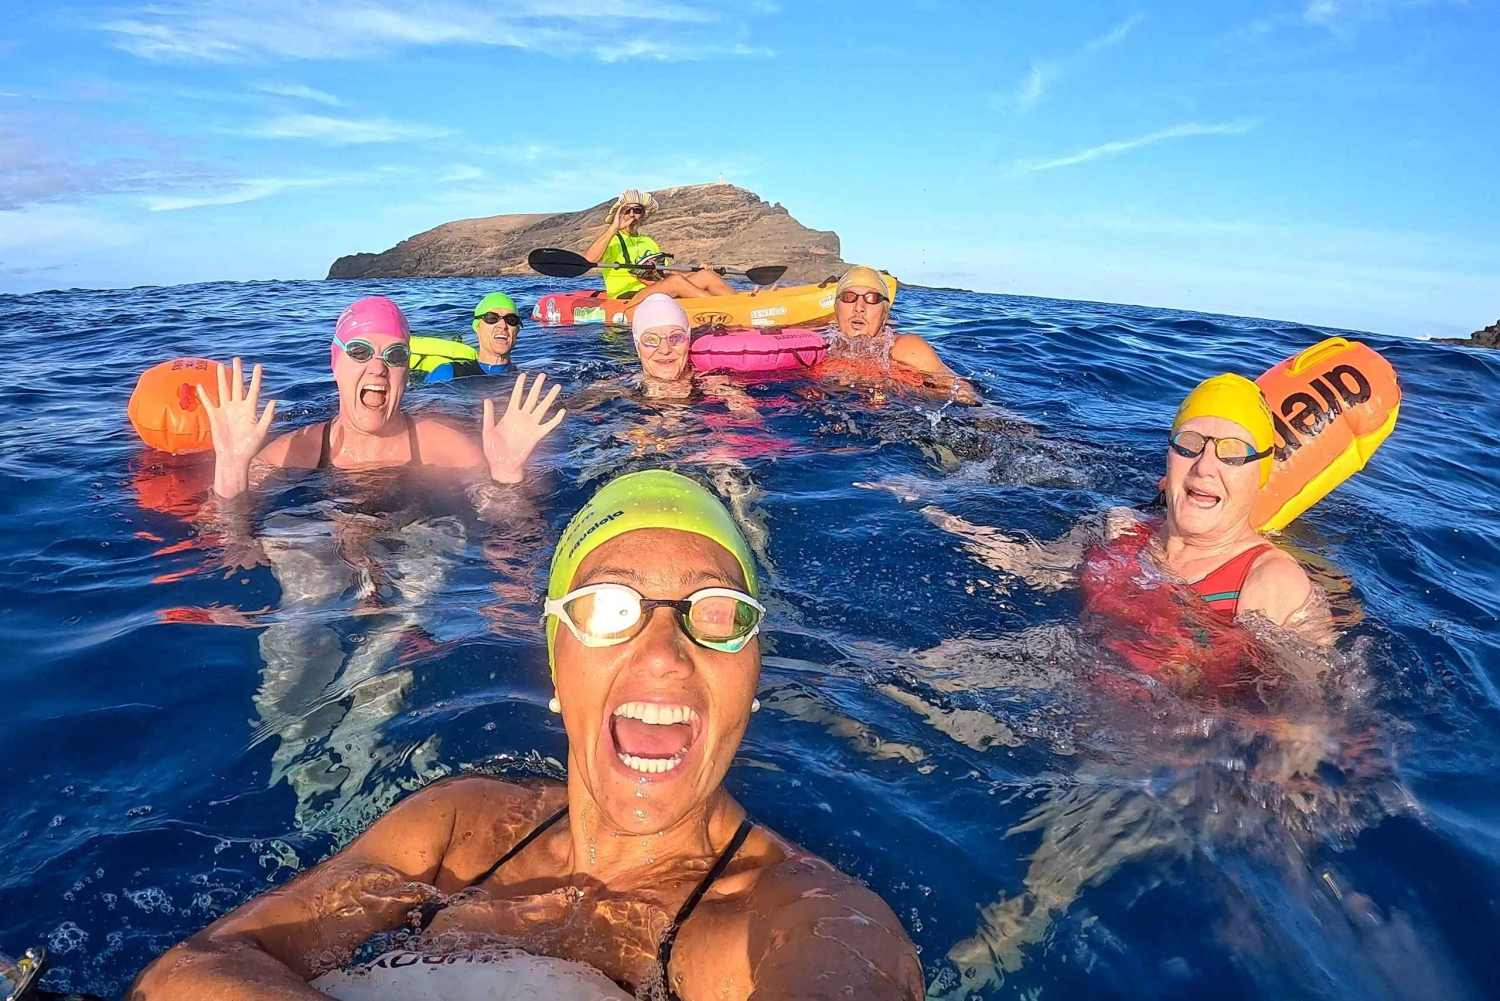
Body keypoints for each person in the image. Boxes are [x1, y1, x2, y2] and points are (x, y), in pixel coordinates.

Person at [132, 470, 924, 1001]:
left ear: (752, 676)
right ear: (556, 663)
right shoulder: (460, 826)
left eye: (715, 615)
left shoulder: (789, 912)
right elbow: (189, 974)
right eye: (611, 609)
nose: (661, 653)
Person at [918, 371, 1328, 694]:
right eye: (1189, 444)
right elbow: (1038, 568)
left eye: (1233, 452)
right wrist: (936, 513)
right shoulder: (1119, 528)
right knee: (893, 674)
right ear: (1169, 456)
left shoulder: (1271, 583)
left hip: (1159, 764)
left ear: (1262, 471)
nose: (1204, 466)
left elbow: (1309, 715)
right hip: (1056, 684)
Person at [200, 296, 564, 500]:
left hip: (415, 554)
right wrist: (231, 470)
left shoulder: (445, 448)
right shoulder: (293, 452)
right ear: (336, 362)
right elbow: (228, 547)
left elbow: (507, 532)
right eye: (360, 352)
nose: (378, 368)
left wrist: (507, 477)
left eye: (395, 356)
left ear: (406, 371)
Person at [826, 265, 978, 403]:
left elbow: (960, 389)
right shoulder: (820, 348)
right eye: (848, 297)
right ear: (836, 308)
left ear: (885, 313)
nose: (859, 307)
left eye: (872, 298)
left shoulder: (904, 347)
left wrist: (885, 383)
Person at [581, 189, 735, 303]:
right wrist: (614, 227)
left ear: (643, 215)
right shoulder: (611, 238)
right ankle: (722, 308)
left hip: (658, 287)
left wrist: (699, 271)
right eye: (626, 210)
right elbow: (588, 260)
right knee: (675, 282)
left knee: (706, 275)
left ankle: (738, 303)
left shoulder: (648, 242)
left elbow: (666, 272)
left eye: (637, 210)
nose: (632, 214)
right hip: (629, 295)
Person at [419, 293, 522, 382]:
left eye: (511, 320)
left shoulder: (524, 378)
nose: (503, 325)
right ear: (477, 327)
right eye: (492, 318)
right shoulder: (448, 373)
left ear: (517, 330)